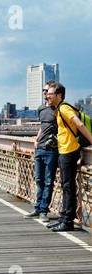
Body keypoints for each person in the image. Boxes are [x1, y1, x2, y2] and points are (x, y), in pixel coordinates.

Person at [46, 82, 92, 232]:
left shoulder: (64, 108)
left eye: (50, 93)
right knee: (66, 187)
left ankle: (67, 222)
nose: (47, 95)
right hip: (64, 151)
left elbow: (79, 125)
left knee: (68, 187)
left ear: (59, 95)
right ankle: (63, 218)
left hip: (69, 152)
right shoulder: (60, 108)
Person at [24, 80, 58, 222]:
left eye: (47, 91)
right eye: (44, 91)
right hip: (39, 148)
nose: (45, 93)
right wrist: (36, 140)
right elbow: (43, 127)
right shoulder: (41, 109)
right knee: (39, 180)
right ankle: (38, 208)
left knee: (49, 181)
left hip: (51, 149)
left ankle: (44, 210)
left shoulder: (58, 109)